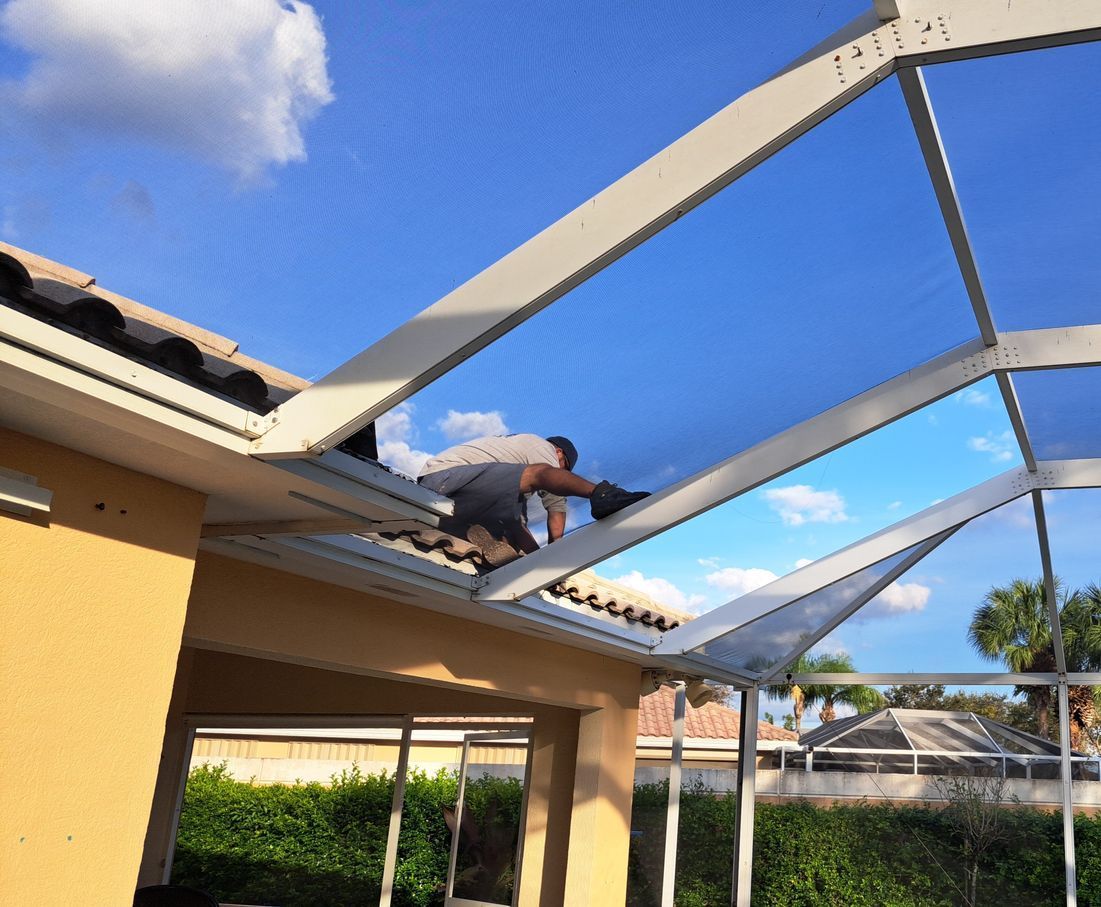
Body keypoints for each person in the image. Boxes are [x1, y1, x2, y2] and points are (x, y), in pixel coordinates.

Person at [417, 434, 649, 564]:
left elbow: (518, 525)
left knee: (512, 526)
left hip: (457, 498)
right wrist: (556, 553)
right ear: (559, 453)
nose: (561, 473)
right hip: (444, 479)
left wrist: (538, 562)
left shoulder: (511, 476)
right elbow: (556, 505)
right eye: (564, 468)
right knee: (540, 474)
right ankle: (603, 494)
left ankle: (479, 535)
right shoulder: (542, 447)